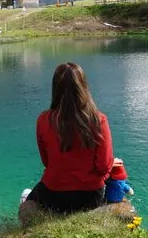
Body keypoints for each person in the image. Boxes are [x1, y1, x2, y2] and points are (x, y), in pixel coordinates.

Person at [24, 62, 114, 213]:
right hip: (90, 196)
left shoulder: (43, 119)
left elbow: (46, 161)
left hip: (53, 194)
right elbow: (103, 166)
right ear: (83, 87)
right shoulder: (99, 120)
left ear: (55, 88)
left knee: (29, 196)